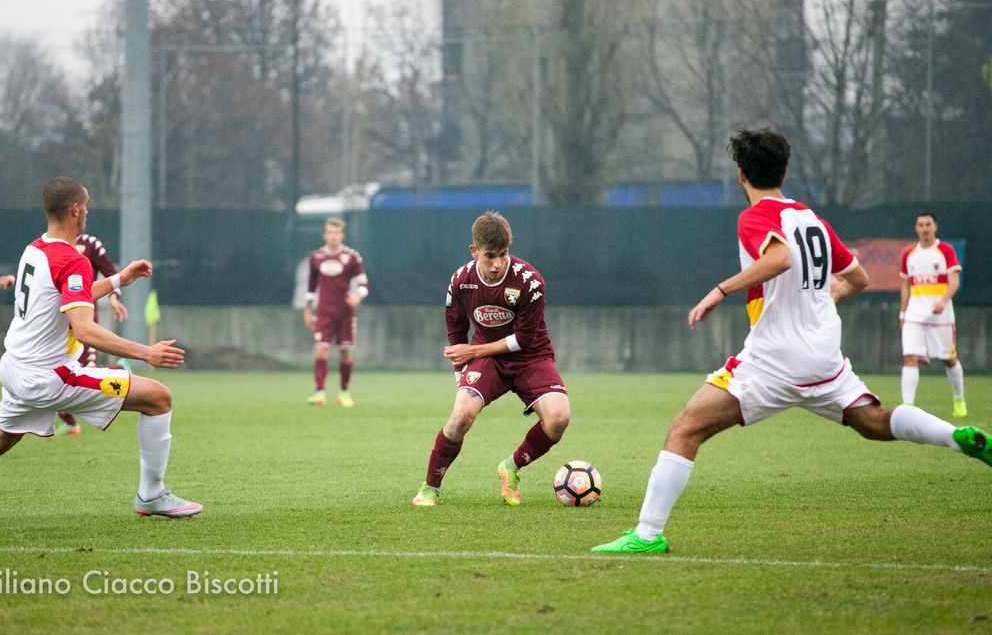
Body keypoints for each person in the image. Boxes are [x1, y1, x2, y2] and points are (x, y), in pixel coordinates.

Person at [592, 129, 990, 554]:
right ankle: (956, 436)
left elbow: (779, 258)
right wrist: (830, 293)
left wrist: (720, 290)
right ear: (784, 170)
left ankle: (648, 534)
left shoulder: (755, 216)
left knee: (686, 428)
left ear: (741, 175)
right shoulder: (809, 217)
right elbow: (860, 278)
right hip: (823, 359)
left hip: (773, 360)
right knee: (873, 423)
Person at [0, 176, 201, 520]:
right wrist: (146, 352)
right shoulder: (73, 259)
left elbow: (66, 297)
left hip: (15, 367)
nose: (88, 214)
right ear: (75, 210)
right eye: (88, 207)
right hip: (51, 376)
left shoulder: (35, 248)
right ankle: (152, 496)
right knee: (158, 397)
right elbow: (85, 329)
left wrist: (117, 280)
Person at [411, 211, 571, 507]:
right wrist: (461, 379)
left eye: (503, 254)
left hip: (531, 356)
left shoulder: (529, 281)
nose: (497, 264)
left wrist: (472, 352)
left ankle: (511, 466)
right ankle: (430, 488)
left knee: (559, 418)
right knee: (461, 417)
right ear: (474, 252)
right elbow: (456, 331)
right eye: (490, 256)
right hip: (488, 360)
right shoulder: (461, 281)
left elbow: (522, 340)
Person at [0, 233, 128, 435]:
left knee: (84, 369)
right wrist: (13, 278)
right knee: (56, 372)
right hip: (55, 322)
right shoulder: (48, 245)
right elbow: (38, 273)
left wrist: (113, 298)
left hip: (82, 319)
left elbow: (110, 270)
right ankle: (70, 421)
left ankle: (119, 369)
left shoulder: (90, 244)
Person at [899, 213, 966, 417]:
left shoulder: (945, 250)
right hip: (914, 315)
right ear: (916, 228)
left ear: (935, 226)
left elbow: (953, 282)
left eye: (928, 224)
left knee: (948, 359)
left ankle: (959, 399)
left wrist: (942, 301)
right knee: (910, 357)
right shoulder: (908, 253)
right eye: (920, 224)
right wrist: (903, 313)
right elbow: (905, 285)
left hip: (941, 317)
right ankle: (907, 408)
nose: (924, 228)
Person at [303, 218, 368, 408]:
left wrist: (358, 296)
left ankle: (344, 393)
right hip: (323, 312)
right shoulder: (316, 257)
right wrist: (307, 309)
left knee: (346, 353)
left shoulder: (352, 257)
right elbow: (311, 287)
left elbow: (364, 283)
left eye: (337, 233)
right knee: (321, 350)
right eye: (330, 232)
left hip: (346, 313)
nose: (333, 236)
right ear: (324, 235)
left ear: (342, 235)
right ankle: (319, 392)